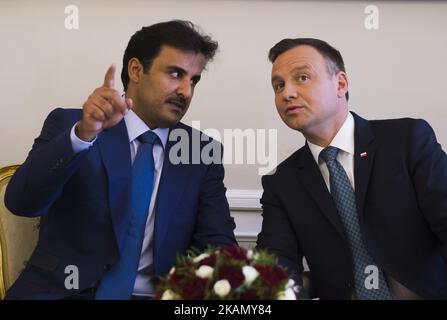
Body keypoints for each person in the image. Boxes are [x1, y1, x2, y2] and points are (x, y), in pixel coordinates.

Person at [5, 20, 236, 300]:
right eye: (176, 74)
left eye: (194, 80)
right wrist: (83, 136)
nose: (186, 92)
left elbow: (217, 245)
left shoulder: (199, 151)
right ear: (136, 70)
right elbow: (21, 202)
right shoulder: (73, 124)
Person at [257, 38, 447, 300]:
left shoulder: (407, 141)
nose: (287, 93)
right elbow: (277, 265)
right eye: (278, 85)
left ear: (341, 84)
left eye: (301, 77)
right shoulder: (281, 182)